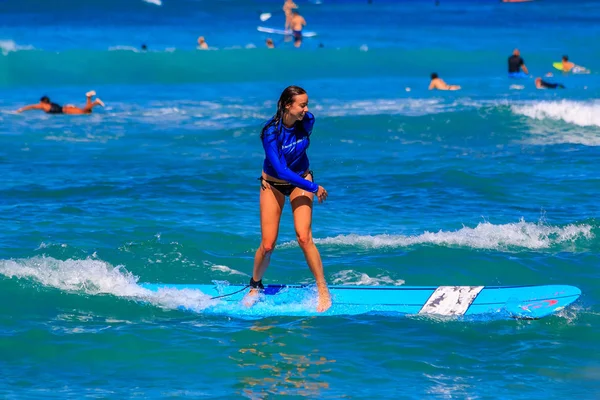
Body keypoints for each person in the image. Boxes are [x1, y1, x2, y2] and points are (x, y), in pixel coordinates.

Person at [244, 85, 331, 313]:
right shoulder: (270, 133)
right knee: (268, 244)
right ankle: (255, 285)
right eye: (302, 105)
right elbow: (281, 170)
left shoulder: (307, 121)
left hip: (301, 179)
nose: (307, 109)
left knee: (304, 237)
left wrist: (308, 183)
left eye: (307, 103)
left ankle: (322, 288)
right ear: (287, 105)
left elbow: (295, 164)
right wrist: (314, 187)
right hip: (273, 183)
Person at [16, 91, 104, 115]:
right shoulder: (50, 104)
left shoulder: (44, 106)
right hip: (67, 108)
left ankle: (94, 101)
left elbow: (31, 106)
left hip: (67, 110)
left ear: (42, 101)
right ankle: (89, 97)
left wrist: (20, 110)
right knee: (88, 112)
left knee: (84, 111)